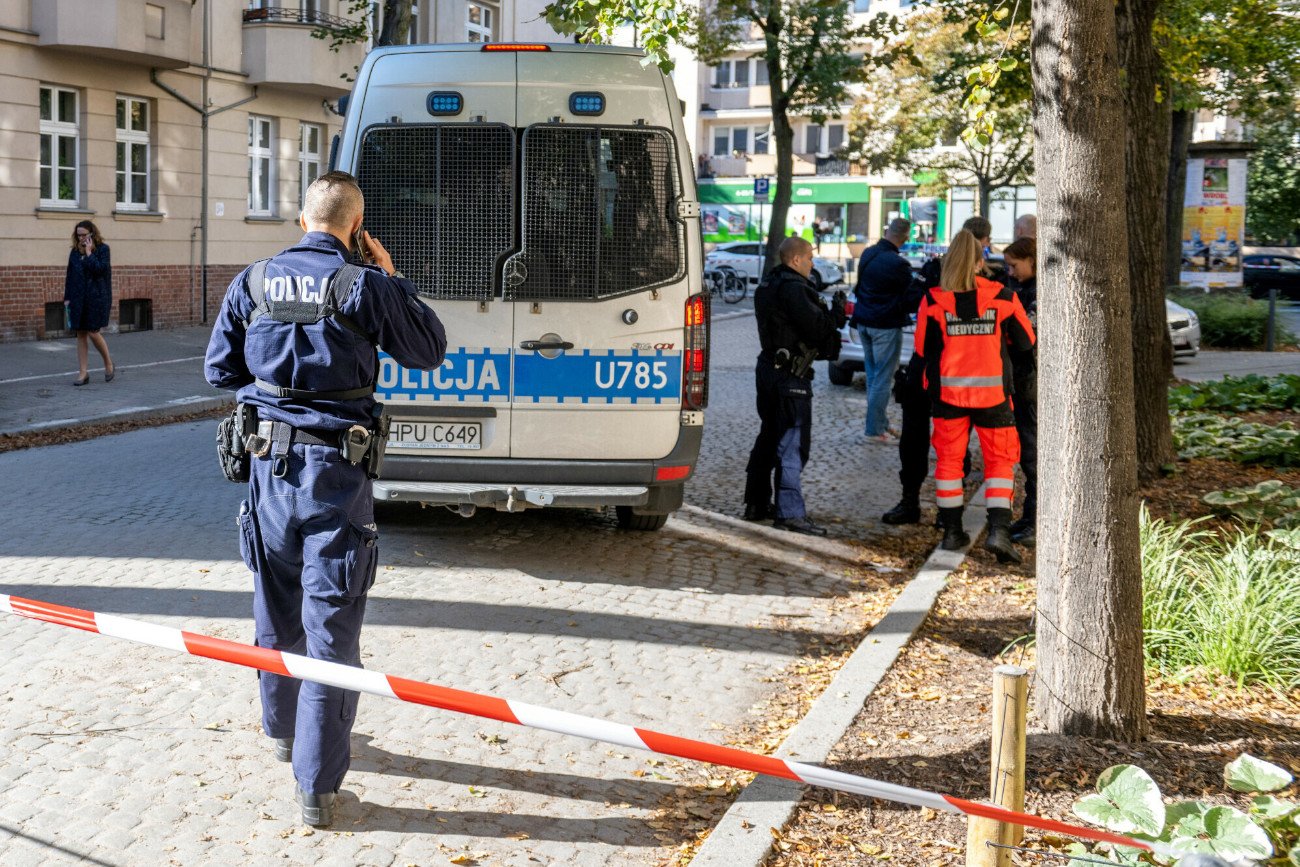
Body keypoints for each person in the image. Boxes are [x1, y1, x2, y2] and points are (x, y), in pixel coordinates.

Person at [204, 171, 447, 828]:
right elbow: (429, 348)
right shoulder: (362, 284)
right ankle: (316, 788)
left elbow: (219, 370)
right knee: (330, 630)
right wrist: (392, 280)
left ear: (300, 220)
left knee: (275, 605)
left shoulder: (253, 280)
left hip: (265, 471)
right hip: (335, 477)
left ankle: (283, 732)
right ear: (357, 230)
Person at [914, 230, 1035, 563]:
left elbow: (922, 348)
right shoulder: (1003, 297)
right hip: (994, 395)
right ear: (981, 262)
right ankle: (999, 532)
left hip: (949, 397)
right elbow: (1026, 341)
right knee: (999, 464)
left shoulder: (933, 300)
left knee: (950, 463)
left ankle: (952, 531)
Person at [881, 216, 993, 525]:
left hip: (959, 371)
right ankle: (911, 500)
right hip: (928, 366)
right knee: (915, 438)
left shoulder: (991, 286)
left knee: (953, 444)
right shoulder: (933, 271)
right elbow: (910, 301)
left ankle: (948, 508)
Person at [743, 236, 846, 536]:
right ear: (796, 259)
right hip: (791, 376)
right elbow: (817, 331)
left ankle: (756, 503)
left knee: (769, 436)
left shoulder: (768, 285)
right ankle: (789, 512)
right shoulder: (796, 289)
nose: (813, 263)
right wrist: (836, 315)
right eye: (810, 258)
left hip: (769, 370)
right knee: (792, 442)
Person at [850, 217, 920, 444]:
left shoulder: (868, 253)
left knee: (873, 376)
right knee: (883, 379)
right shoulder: (898, 264)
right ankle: (873, 429)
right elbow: (910, 299)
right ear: (906, 237)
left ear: (888, 231)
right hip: (885, 326)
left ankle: (879, 423)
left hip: (864, 322)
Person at [1002, 237, 1038, 545]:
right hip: (1025, 380)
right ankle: (1029, 517)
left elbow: (1026, 337)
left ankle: (1034, 520)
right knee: (1027, 451)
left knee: (1032, 453)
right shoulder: (1023, 289)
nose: (1010, 272)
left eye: (1014, 265)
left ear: (1031, 259)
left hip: (1031, 382)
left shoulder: (1038, 293)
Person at [64, 220, 116, 386]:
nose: (81, 238)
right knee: (80, 334)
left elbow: (100, 270)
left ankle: (108, 362)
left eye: (84, 235)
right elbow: (70, 276)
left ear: (92, 234)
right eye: (78, 235)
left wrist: (88, 253)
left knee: (93, 332)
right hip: (78, 298)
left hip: (96, 297)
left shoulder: (103, 250)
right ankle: (83, 373)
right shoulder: (73, 252)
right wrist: (67, 298)